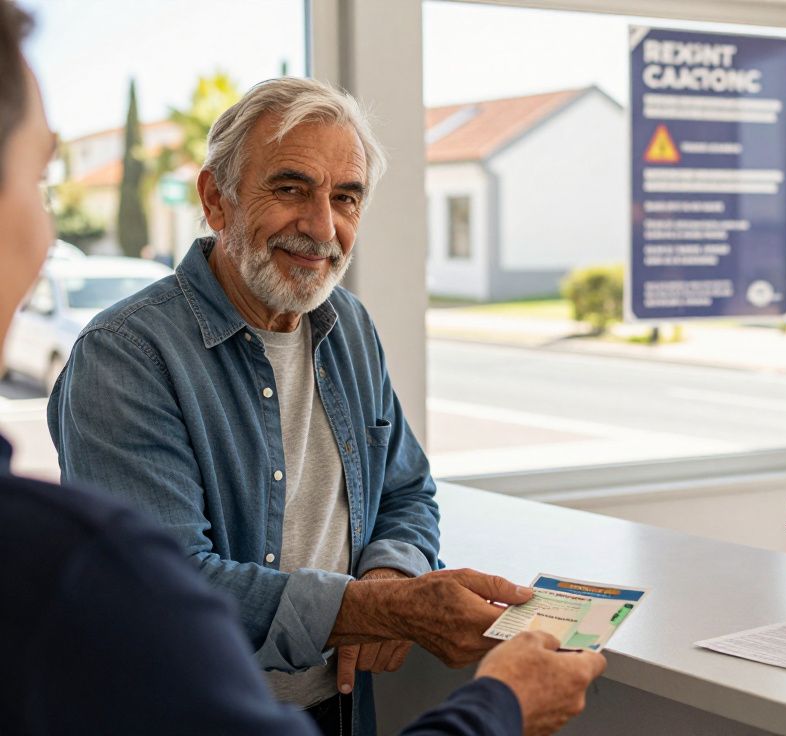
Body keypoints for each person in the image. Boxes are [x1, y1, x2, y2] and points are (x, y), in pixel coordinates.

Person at [1, 2, 604, 734]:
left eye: (345, 197)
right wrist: (371, 610)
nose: (322, 227)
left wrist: (391, 572)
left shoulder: (348, 326)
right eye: (290, 188)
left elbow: (406, 491)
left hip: (341, 707)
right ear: (216, 200)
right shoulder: (126, 355)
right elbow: (165, 586)